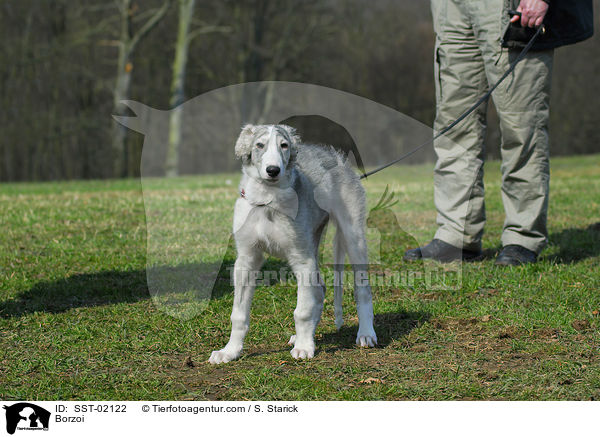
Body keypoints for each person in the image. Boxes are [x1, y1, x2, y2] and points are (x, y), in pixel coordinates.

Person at [405, 0, 593, 266]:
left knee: (521, 126)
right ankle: (456, 233)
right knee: (454, 124)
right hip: (452, 7)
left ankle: (522, 237)